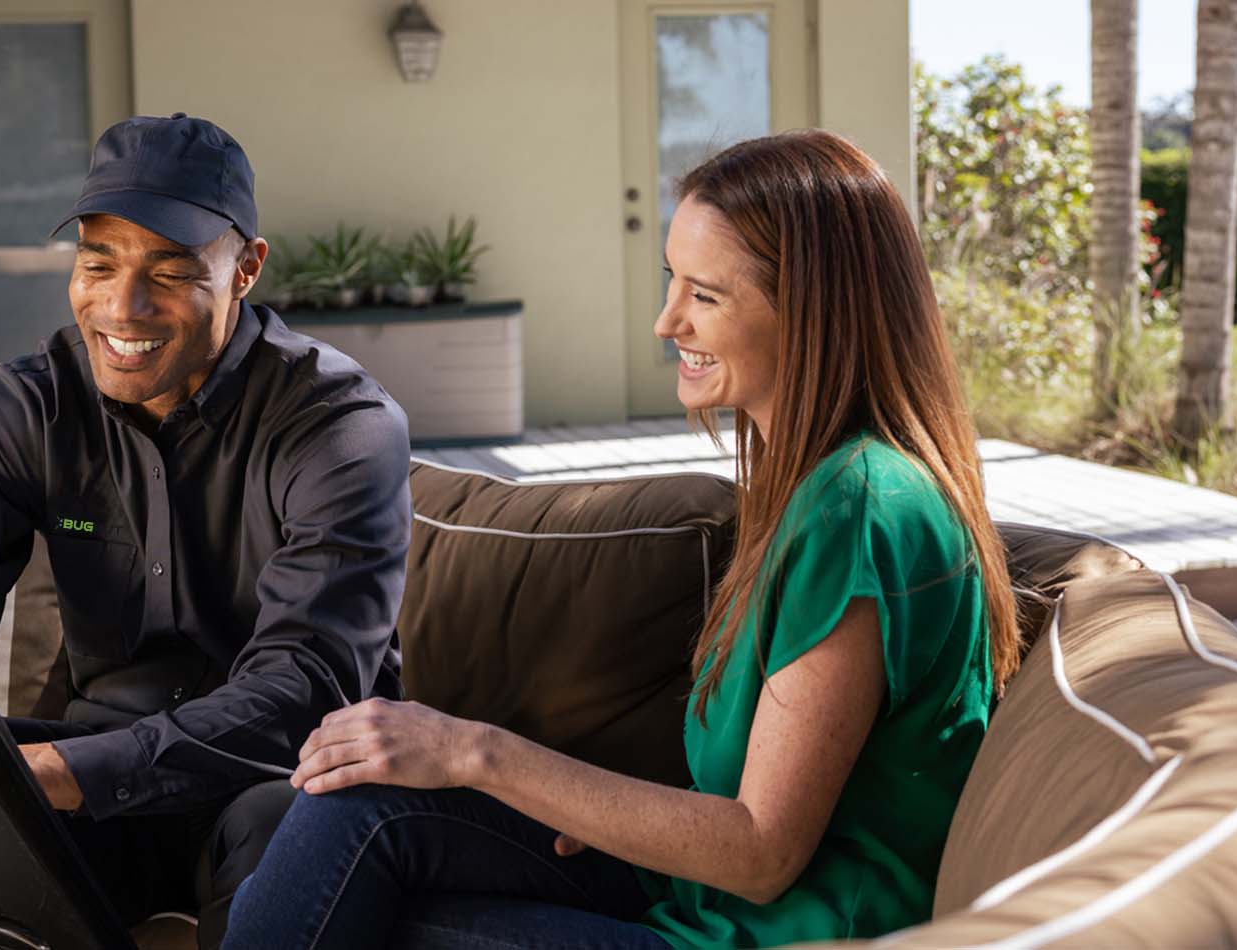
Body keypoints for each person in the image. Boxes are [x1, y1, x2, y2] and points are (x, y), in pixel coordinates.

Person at [219, 129, 1024, 949]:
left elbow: (759, 852)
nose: (665, 320)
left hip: (772, 933)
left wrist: (473, 751)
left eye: (705, 296)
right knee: (350, 803)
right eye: (671, 279)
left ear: (815, 312)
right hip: (700, 900)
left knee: (360, 915)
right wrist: (574, 803)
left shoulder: (862, 505)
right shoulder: (814, 488)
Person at [0, 113, 412, 949]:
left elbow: (305, 691)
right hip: (94, 774)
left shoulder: (340, 424)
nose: (122, 306)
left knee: (290, 820)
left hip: (284, 776)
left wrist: (73, 772)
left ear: (246, 268)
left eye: (170, 272)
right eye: (97, 263)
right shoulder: (27, 406)